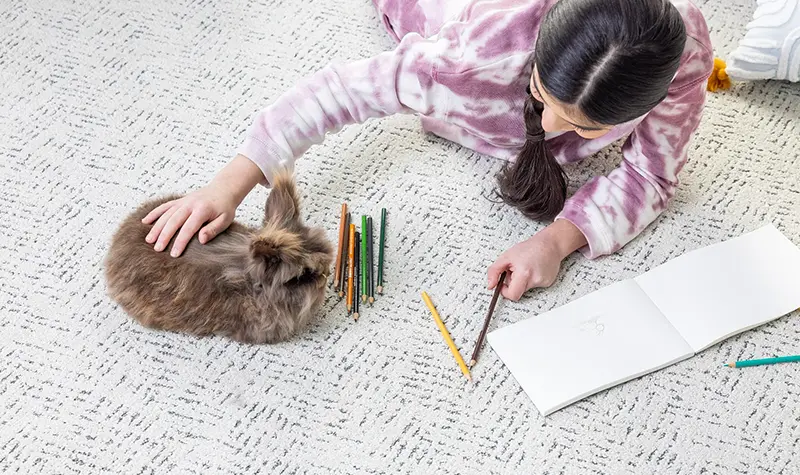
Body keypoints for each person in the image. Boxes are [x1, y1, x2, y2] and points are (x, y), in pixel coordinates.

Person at [142, 0, 714, 301]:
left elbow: (650, 176)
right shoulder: (464, 62)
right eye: (542, 94)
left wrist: (557, 241)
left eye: (585, 126)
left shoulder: (681, 50)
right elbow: (340, 90)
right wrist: (232, 182)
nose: (549, 123)